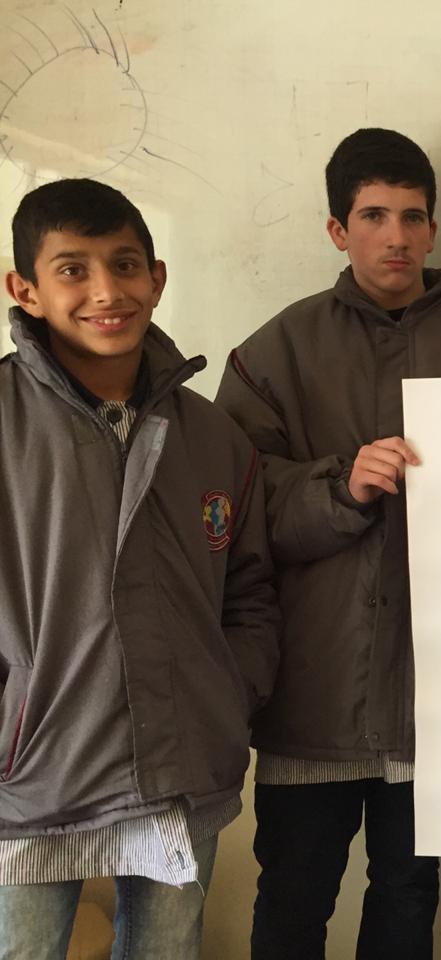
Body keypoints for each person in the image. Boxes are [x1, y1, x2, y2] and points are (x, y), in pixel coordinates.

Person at [215, 127, 441, 960]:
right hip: (313, 694)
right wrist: (341, 487)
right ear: (337, 229)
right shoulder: (274, 351)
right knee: (293, 899)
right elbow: (234, 516)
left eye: (413, 217)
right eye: (374, 216)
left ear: (433, 229)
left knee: (408, 898)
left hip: (436, 697)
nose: (396, 236)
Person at [0, 178, 279, 959]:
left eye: (124, 265)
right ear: (24, 289)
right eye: (73, 269)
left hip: (181, 767)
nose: (106, 291)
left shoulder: (213, 436)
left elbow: (250, 591)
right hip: (29, 776)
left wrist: (227, 694)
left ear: (156, 277)